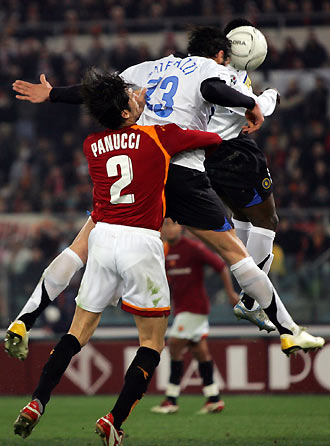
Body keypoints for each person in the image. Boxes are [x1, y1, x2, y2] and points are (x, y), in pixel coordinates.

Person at [7, 27, 324, 361]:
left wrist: (53, 93)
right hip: (183, 170)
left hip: (142, 165)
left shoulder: (147, 67)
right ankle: (289, 331)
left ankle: (25, 319)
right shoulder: (209, 68)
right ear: (220, 55)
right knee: (236, 255)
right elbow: (213, 88)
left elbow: (98, 91)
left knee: (79, 247)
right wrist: (250, 103)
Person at [12, 68, 224, 445]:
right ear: (125, 112)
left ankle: (37, 402)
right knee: (152, 343)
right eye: (132, 96)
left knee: (76, 333)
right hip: (141, 242)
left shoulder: (91, 145)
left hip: (103, 239)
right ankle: (114, 420)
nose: (139, 95)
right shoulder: (161, 136)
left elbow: (118, 134)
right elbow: (211, 138)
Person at [205, 19, 280, 330]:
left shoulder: (215, 69)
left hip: (208, 154)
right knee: (268, 220)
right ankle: (250, 299)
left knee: (244, 218)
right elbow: (249, 105)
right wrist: (269, 97)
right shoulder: (227, 75)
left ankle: (246, 287)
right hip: (233, 151)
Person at [151, 219, 239, 415]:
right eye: (165, 225)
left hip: (195, 307)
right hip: (182, 309)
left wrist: (231, 293)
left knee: (174, 345)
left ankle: (171, 399)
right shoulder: (163, 251)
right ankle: (214, 398)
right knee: (200, 351)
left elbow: (220, 266)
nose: (170, 228)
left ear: (180, 227)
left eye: (173, 224)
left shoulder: (193, 247)